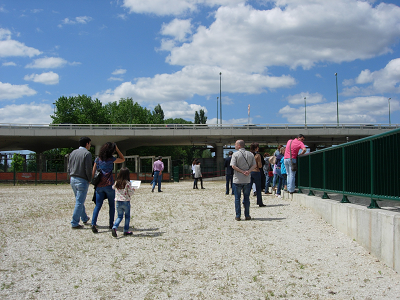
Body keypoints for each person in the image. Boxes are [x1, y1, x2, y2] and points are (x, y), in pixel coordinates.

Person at [91, 142, 125, 233]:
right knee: (111, 206)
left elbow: (93, 172)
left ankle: (93, 223)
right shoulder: (111, 159)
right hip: (109, 185)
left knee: (98, 205)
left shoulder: (97, 159)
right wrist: (117, 149)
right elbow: (122, 159)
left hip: (99, 185)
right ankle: (111, 224)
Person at [68, 137, 92, 229]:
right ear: (87, 144)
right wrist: (89, 179)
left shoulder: (73, 153)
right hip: (82, 179)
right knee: (79, 201)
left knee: (79, 200)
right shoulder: (87, 154)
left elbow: (69, 166)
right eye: (89, 144)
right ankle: (74, 222)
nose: (90, 145)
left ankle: (84, 217)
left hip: (73, 178)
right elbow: (88, 168)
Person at [230, 140, 257, 221]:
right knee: (246, 198)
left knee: (237, 198)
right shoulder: (250, 154)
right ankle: (247, 215)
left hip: (238, 179)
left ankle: (238, 215)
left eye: (235, 144)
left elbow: (233, 166)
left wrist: (241, 171)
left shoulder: (235, 154)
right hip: (247, 179)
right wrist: (248, 171)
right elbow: (254, 165)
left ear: (238, 146)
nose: (234, 145)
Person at [111, 167, 134, 237]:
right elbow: (130, 193)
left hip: (118, 201)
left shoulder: (117, 182)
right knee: (127, 216)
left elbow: (113, 187)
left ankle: (114, 227)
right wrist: (133, 190)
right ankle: (126, 230)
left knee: (119, 216)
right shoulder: (127, 183)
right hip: (126, 201)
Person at [250, 142, 266, 207]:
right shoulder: (258, 155)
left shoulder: (249, 154)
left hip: (250, 171)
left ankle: (245, 201)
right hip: (256, 171)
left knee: (248, 188)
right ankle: (259, 202)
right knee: (258, 188)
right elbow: (259, 165)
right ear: (256, 148)